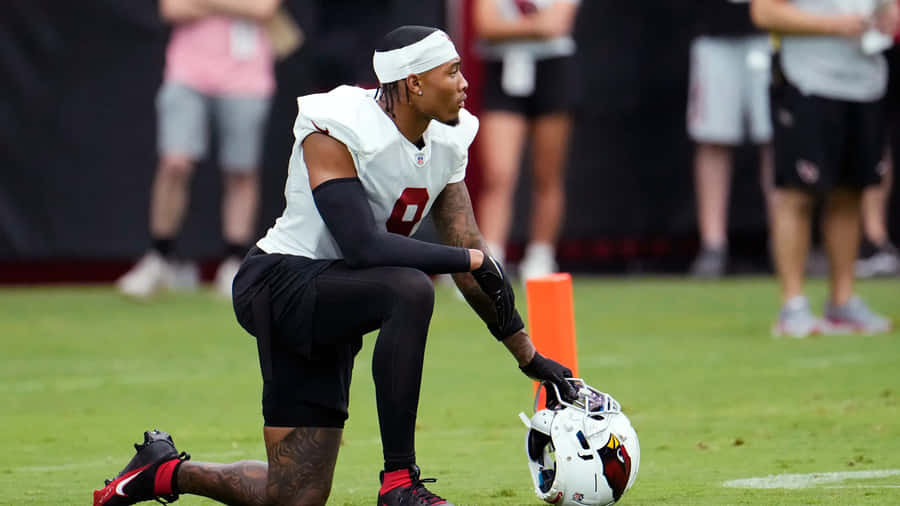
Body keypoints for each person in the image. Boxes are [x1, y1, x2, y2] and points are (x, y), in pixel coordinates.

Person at [93, 26, 578, 506]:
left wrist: (529, 358)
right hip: (280, 282)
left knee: (294, 494)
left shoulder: (448, 138)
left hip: (338, 297)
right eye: (451, 71)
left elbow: (474, 263)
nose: (464, 82)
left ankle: (162, 471)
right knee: (410, 290)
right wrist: (469, 258)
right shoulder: (335, 123)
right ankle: (399, 482)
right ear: (413, 82)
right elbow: (364, 245)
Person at [751, 0, 897, 337]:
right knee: (796, 195)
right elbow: (764, 12)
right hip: (808, 81)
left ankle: (842, 302)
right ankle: (793, 307)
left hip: (865, 81)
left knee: (851, 192)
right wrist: (836, 26)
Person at [117, 0, 279, 298]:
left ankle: (234, 261)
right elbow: (172, 9)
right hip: (186, 74)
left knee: (241, 171)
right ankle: (160, 256)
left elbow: (264, 9)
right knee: (174, 163)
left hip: (246, 78)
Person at [472, 0, 581, 280]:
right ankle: (491, 261)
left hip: (552, 70)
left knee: (547, 174)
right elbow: (486, 26)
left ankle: (541, 256)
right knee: (499, 174)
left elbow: (557, 25)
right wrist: (535, 27)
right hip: (503, 70)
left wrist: (511, 28)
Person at [687, 0, 774, 278]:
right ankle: (713, 244)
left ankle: (783, 240)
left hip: (773, 31)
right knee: (713, 139)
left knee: (775, 140)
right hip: (715, 30)